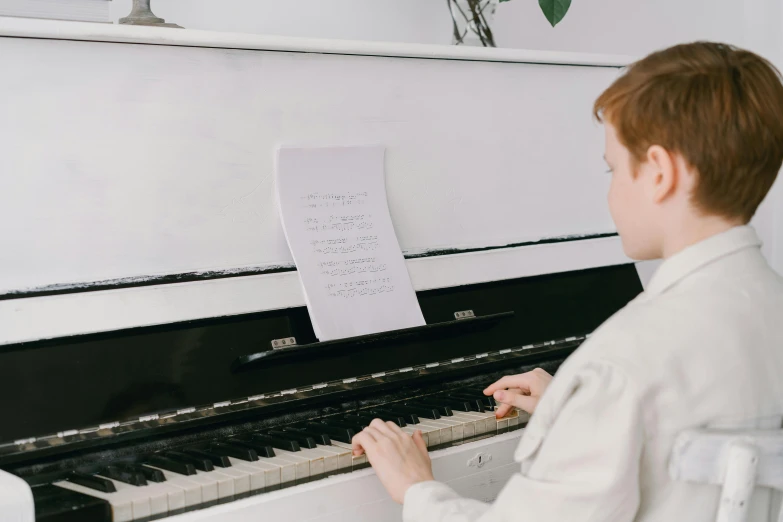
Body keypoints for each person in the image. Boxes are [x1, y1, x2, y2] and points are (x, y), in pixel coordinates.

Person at [351, 41, 783, 522]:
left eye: (613, 169)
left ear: (659, 173)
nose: (611, 191)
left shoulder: (622, 361)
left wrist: (417, 489)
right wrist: (576, 410)